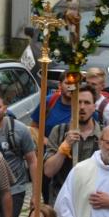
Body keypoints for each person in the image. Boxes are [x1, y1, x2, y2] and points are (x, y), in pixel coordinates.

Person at [44, 85, 104, 202]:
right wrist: (65, 147)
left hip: (93, 201)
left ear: (94, 107)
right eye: (78, 102)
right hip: (63, 200)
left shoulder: (104, 135)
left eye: (87, 103)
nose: (82, 107)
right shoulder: (59, 131)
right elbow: (48, 171)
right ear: (72, 105)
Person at [30, 71, 76, 204]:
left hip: (72, 162)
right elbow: (33, 127)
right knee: (50, 199)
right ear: (60, 85)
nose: (70, 87)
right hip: (49, 159)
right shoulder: (49, 102)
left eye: (74, 84)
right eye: (67, 83)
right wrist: (48, 141)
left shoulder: (82, 106)